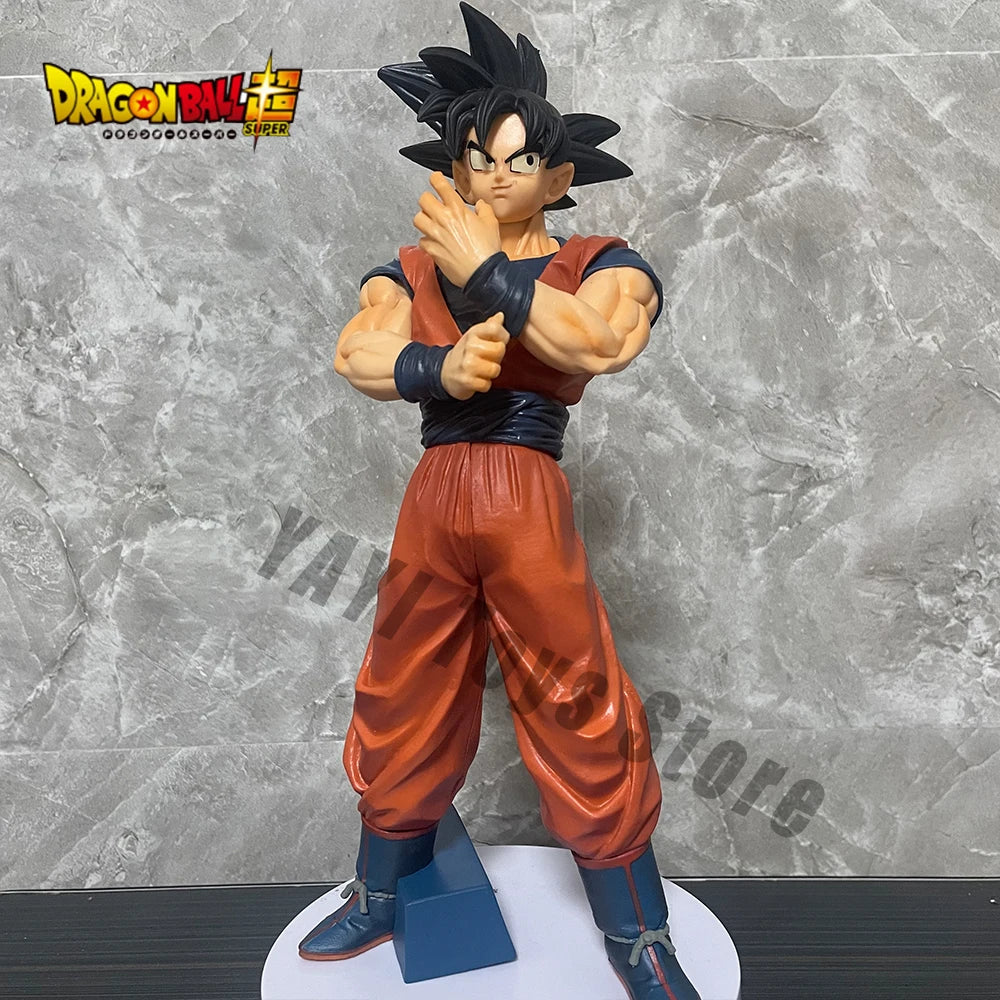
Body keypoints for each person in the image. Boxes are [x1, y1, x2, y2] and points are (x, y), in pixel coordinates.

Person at [298, 5, 701, 997]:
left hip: (526, 491)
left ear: (556, 178)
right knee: (402, 689)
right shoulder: (408, 269)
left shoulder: (596, 261)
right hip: (436, 494)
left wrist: (489, 275)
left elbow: (600, 341)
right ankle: (380, 890)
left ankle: (638, 934)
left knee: (576, 695)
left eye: (521, 161)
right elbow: (357, 350)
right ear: (457, 168)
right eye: (480, 158)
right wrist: (434, 365)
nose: (499, 175)